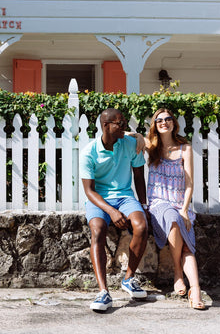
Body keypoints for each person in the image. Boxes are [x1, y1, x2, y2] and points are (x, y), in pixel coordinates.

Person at [79, 108, 149, 311]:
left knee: (142, 226)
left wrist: (143, 206)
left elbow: (138, 177)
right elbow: (89, 191)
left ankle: (128, 279)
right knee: (98, 231)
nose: (125, 126)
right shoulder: (88, 152)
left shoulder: (130, 144)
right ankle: (103, 292)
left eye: (125, 122)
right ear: (106, 125)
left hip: (125, 196)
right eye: (120, 123)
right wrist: (111, 211)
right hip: (99, 200)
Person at [146, 108, 206, 310]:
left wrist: (184, 209)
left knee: (187, 243)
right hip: (158, 203)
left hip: (180, 205)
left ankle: (195, 290)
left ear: (174, 123)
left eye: (168, 119)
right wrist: (137, 136)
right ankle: (178, 273)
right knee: (172, 219)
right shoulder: (151, 147)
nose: (164, 122)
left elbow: (189, 183)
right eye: (159, 120)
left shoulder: (185, 148)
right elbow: (128, 135)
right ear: (155, 125)